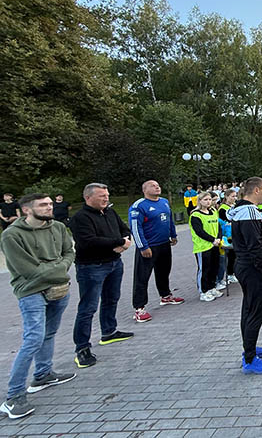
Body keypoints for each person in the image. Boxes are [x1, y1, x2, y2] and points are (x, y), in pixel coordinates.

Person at [1, 194, 75, 420]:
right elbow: (28, 271)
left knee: (49, 333)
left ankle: (43, 374)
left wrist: (57, 268)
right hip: (31, 292)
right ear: (26, 210)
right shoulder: (11, 235)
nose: (49, 207)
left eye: (50, 204)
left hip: (59, 289)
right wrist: (59, 269)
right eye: (43, 205)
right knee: (33, 339)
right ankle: (13, 397)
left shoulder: (58, 227)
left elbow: (69, 252)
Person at [69, 183, 135, 368]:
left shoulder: (110, 212)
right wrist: (119, 242)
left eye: (107, 195)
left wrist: (124, 243)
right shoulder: (80, 218)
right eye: (101, 196)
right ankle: (82, 348)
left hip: (114, 263)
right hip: (92, 267)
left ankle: (109, 331)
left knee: (111, 299)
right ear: (88, 198)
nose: (106, 198)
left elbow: (125, 229)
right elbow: (89, 241)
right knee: (88, 308)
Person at [228, 177, 262, 374]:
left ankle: (250, 346)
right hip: (252, 268)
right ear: (256, 190)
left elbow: (260, 234)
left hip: (246, 266)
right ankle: (249, 359)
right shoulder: (248, 212)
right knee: (257, 311)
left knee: (249, 309)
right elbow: (254, 246)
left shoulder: (245, 210)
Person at [129, 180, 183, 323]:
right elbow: (135, 227)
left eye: (158, 185)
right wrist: (143, 246)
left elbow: (169, 220)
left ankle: (165, 296)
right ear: (144, 190)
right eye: (153, 186)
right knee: (142, 276)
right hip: (149, 246)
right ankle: (139, 307)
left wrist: (173, 234)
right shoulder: (139, 206)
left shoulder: (164, 202)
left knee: (164, 271)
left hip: (164, 243)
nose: (157, 187)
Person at [190, 192, 223, 302]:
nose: (208, 202)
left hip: (215, 245)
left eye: (209, 199)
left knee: (214, 267)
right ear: (200, 201)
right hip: (203, 246)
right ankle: (203, 291)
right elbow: (199, 231)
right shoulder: (195, 215)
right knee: (204, 269)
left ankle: (211, 287)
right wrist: (212, 239)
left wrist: (218, 238)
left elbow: (218, 226)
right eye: (205, 200)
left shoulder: (213, 211)